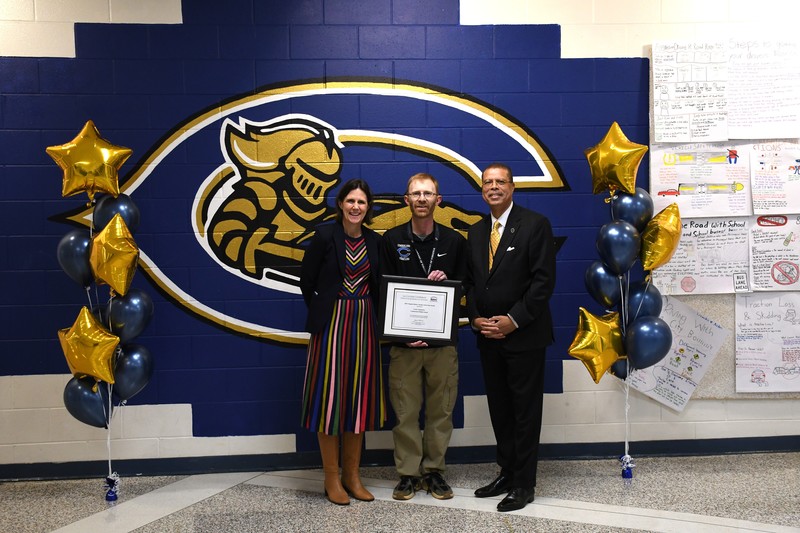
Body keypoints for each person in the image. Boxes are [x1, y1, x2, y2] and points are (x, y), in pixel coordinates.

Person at [464, 163, 556, 513]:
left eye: (500, 181)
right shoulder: (475, 232)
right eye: (488, 182)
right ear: (482, 190)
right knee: (500, 410)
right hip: (487, 337)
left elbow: (542, 283)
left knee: (524, 413)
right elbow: (471, 284)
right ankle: (506, 471)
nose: (493, 187)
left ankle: (524, 483)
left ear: (513, 187)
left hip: (524, 338)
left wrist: (512, 321)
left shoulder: (535, 225)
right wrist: (475, 318)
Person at [299, 178, 386, 506]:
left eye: (361, 202)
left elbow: (381, 285)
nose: (355, 207)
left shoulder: (376, 241)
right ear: (340, 204)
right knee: (330, 400)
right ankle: (332, 478)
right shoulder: (324, 236)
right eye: (350, 201)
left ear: (368, 207)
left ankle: (353, 475)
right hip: (331, 325)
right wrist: (324, 309)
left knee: (357, 400)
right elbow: (307, 281)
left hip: (364, 324)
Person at [380, 173, 466, 501]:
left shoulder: (454, 242)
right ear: (406, 200)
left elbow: (465, 286)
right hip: (404, 345)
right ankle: (408, 474)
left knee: (441, 410)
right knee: (404, 411)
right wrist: (401, 335)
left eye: (428, 193)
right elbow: (382, 291)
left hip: (442, 344)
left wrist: (449, 280)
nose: (421, 198)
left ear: (438, 200)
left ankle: (434, 471)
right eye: (415, 193)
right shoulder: (390, 240)